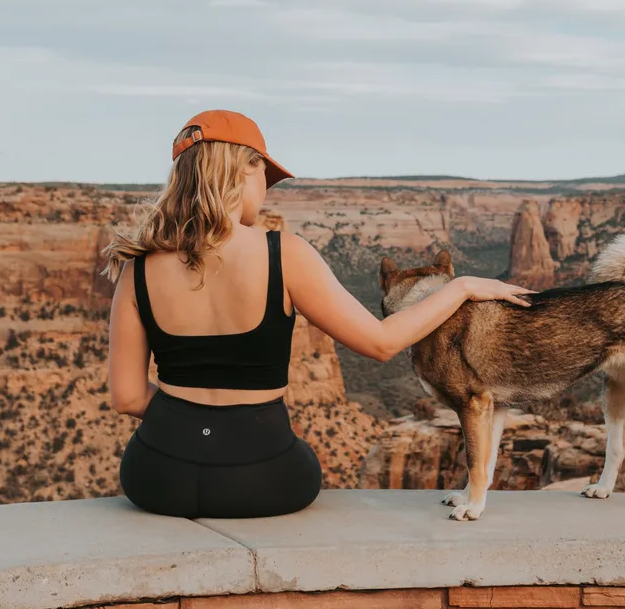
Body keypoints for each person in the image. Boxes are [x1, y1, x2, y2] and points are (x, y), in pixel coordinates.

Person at [100, 110, 535, 519]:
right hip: (263, 478)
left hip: (155, 476)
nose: (267, 187)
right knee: (302, 460)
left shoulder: (136, 269)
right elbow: (381, 342)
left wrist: (192, 423)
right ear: (244, 168)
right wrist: (462, 287)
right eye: (265, 174)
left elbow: (130, 398)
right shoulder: (283, 254)